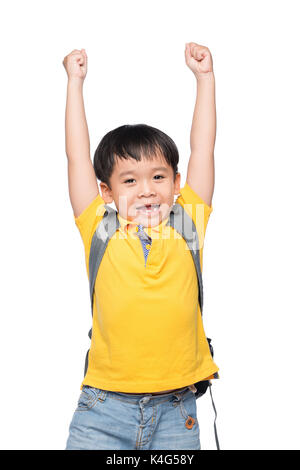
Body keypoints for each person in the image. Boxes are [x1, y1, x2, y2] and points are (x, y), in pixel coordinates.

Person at [62, 43, 219, 450]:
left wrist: (204, 79)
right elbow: (77, 158)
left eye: (158, 177)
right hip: (102, 410)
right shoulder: (99, 229)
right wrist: (75, 83)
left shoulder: (188, 222)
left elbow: (204, 148)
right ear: (107, 192)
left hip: (177, 412)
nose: (147, 191)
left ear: (177, 183)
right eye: (129, 181)